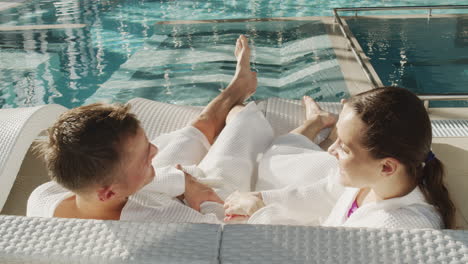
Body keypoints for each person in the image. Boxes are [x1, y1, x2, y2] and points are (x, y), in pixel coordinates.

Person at [27, 35, 275, 223]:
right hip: (206, 187)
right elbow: (222, 230)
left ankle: (236, 87)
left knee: (191, 134)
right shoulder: (164, 222)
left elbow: (127, 181)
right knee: (243, 119)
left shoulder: (44, 197)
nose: (155, 149)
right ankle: (236, 100)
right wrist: (199, 195)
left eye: (148, 145)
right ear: (106, 193)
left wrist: (181, 181)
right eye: (146, 156)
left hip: (154, 183)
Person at [224, 87, 456, 229]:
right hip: (333, 176)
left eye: (344, 147)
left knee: (270, 150)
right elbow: (326, 191)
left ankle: (315, 122)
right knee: (273, 156)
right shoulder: (381, 181)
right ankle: (318, 123)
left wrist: (260, 214)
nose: (330, 150)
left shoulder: (398, 229)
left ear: (386, 167)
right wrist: (261, 198)